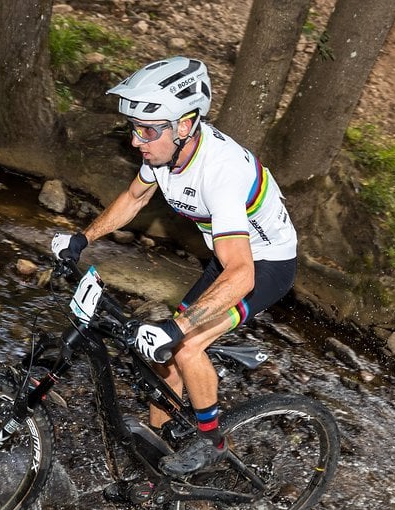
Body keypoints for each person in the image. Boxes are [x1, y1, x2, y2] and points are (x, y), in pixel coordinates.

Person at [51, 56, 298, 478]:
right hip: (228, 256)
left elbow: (241, 275)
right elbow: (134, 198)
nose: (136, 142)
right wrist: (83, 238)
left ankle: (213, 442)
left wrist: (178, 329)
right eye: (134, 128)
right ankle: (158, 442)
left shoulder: (220, 174)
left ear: (184, 126)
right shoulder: (163, 151)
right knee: (161, 350)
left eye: (147, 130)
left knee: (184, 344)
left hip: (265, 263)